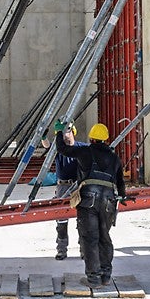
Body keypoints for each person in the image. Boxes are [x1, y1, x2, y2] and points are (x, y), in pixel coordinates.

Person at [58, 122, 126, 287]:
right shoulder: (114, 157)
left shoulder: (85, 151)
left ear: (91, 138)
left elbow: (63, 150)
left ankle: (93, 278)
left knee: (90, 238)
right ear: (106, 140)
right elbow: (120, 183)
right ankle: (106, 276)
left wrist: (59, 133)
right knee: (104, 237)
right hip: (109, 201)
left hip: (89, 200)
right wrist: (122, 196)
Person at [50, 121, 80, 260]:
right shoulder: (58, 150)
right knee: (61, 220)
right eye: (61, 135)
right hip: (62, 186)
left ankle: (85, 249)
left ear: (72, 132)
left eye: (66, 133)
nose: (64, 137)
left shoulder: (82, 148)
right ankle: (61, 249)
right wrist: (44, 138)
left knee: (83, 219)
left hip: (78, 185)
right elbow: (47, 147)